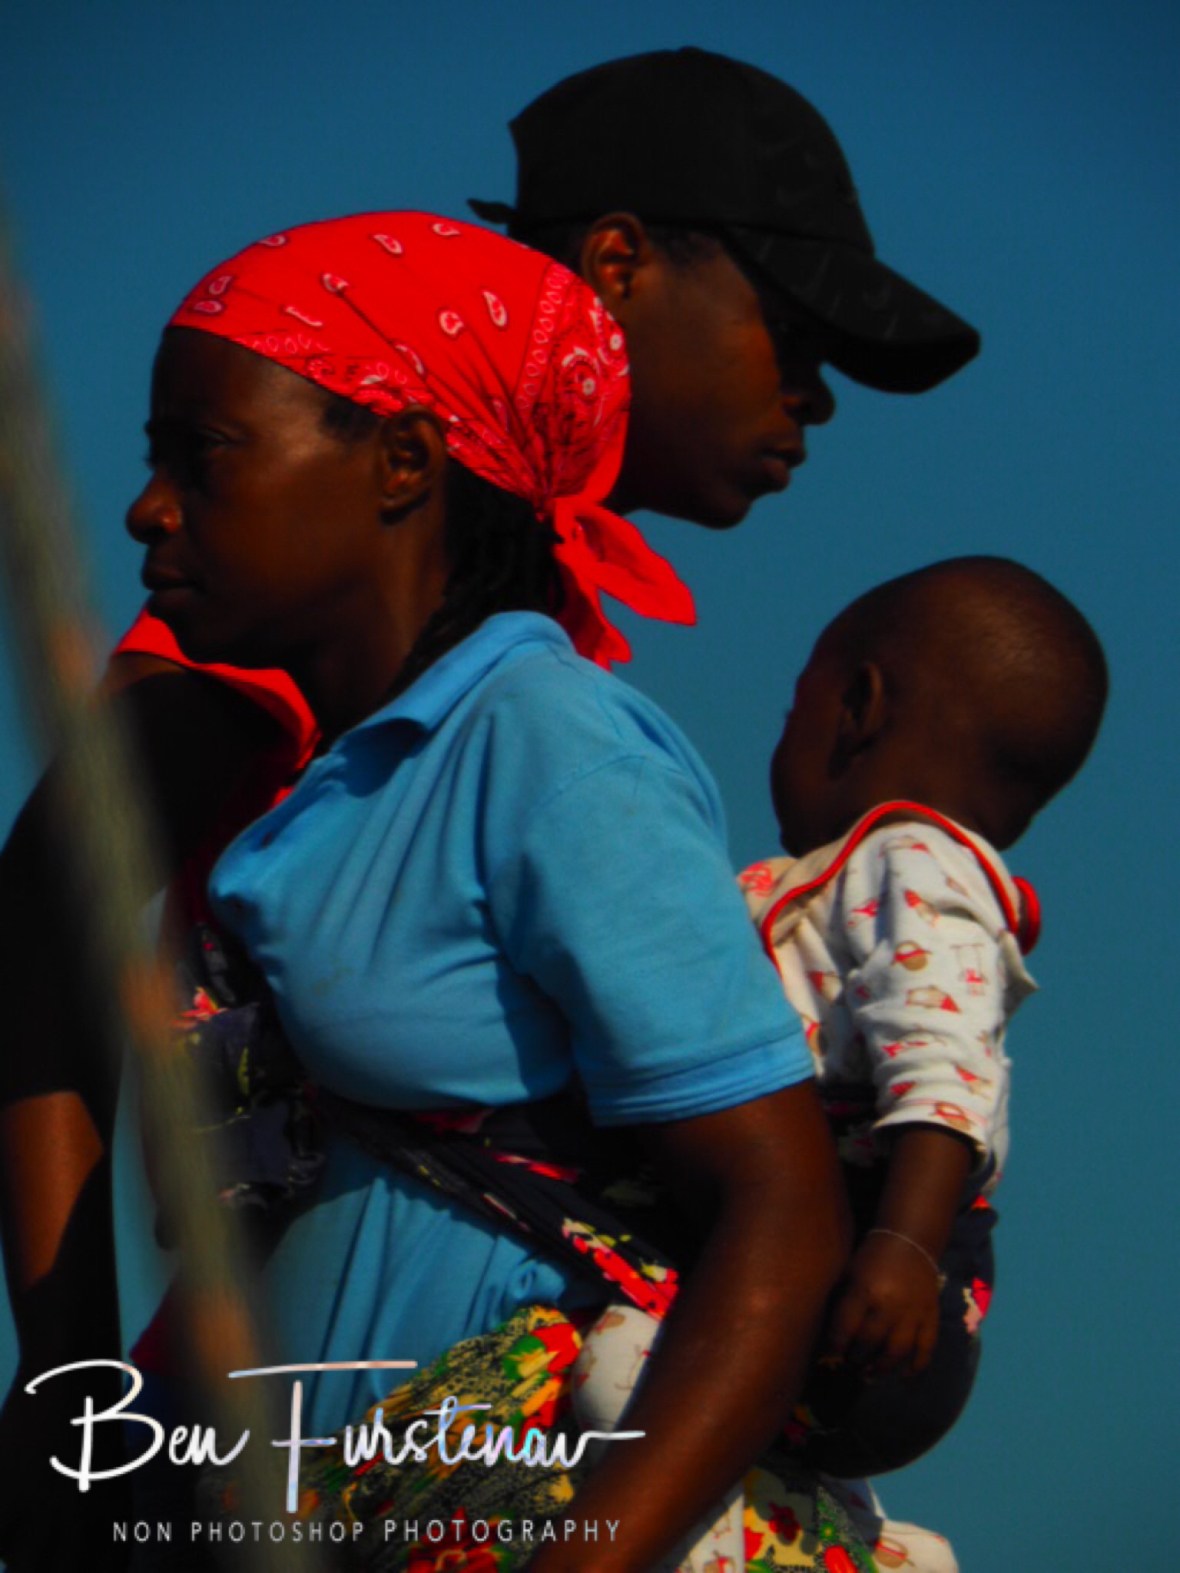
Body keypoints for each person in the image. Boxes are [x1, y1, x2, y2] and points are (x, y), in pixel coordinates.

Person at [0, 46, 980, 1567]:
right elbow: (38, 956)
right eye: (792, 333)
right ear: (618, 266)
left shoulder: (529, 698)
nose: (817, 399)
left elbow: (745, 1186)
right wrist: (76, 1410)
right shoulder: (278, 648)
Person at [122, 211, 855, 1568]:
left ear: (404, 461)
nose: (149, 507)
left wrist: (590, 1557)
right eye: (153, 457)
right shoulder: (320, 777)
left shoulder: (543, 743)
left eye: (203, 455)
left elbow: (782, 1204)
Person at [733, 556, 1106, 1561]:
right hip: (868, 1262)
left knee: (622, 1375)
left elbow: (943, 1073)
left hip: (878, 1262)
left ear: (856, 706)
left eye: (790, 707)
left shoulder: (908, 863)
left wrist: (899, 1248)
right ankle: (865, 1542)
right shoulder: (877, 874)